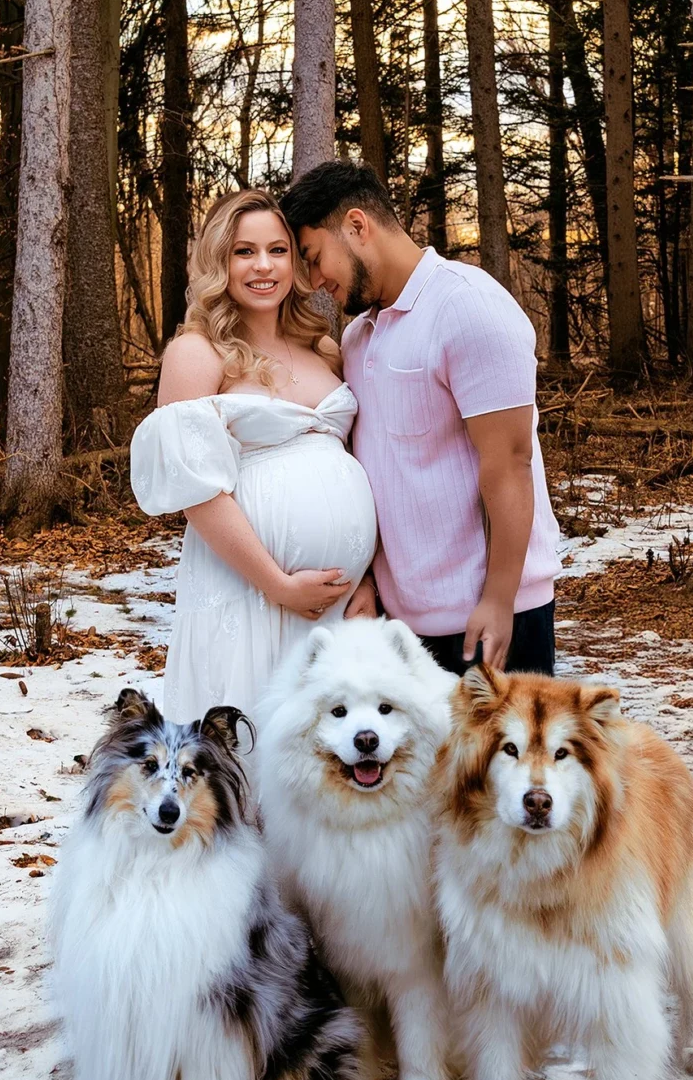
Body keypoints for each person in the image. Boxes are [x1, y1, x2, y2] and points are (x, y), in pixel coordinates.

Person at [279, 162, 562, 676]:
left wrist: (499, 600)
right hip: (404, 630)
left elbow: (511, 463)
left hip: (493, 618)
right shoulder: (358, 336)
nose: (317, 281)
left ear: (358, 227)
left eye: (317, 258)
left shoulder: (468, 306)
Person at [129, 187, 378, 720]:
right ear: (221, 260)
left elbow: (363, 467)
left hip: (335, 603)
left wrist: (370, 581)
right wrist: (278, 585)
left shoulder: (326, 349)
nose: (263, 266)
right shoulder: (197, 353)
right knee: (249, 735)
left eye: (278, 250)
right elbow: (197, 492)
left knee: (321, 756)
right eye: (245, 251)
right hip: (249, 593)